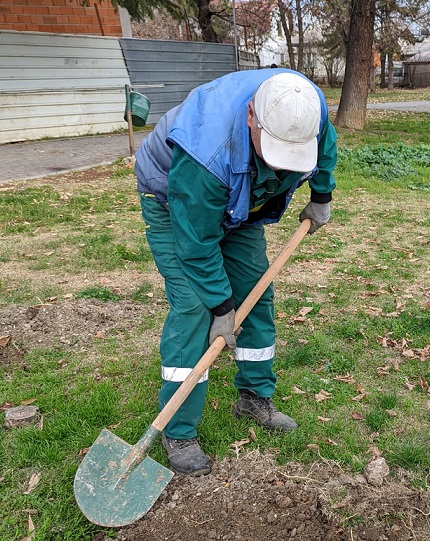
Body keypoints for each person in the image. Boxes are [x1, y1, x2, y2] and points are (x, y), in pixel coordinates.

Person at [134, 68, 337, 476]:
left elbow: (326, 146)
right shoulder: (204, 153)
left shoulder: (305, 106)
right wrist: (221, 307)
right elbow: (196, 245)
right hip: (176, 200)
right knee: (195, 309)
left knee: (256, 294)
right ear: (251, 117)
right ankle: (178, 429)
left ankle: (254, 397)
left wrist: (322, 194)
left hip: (244, 201)